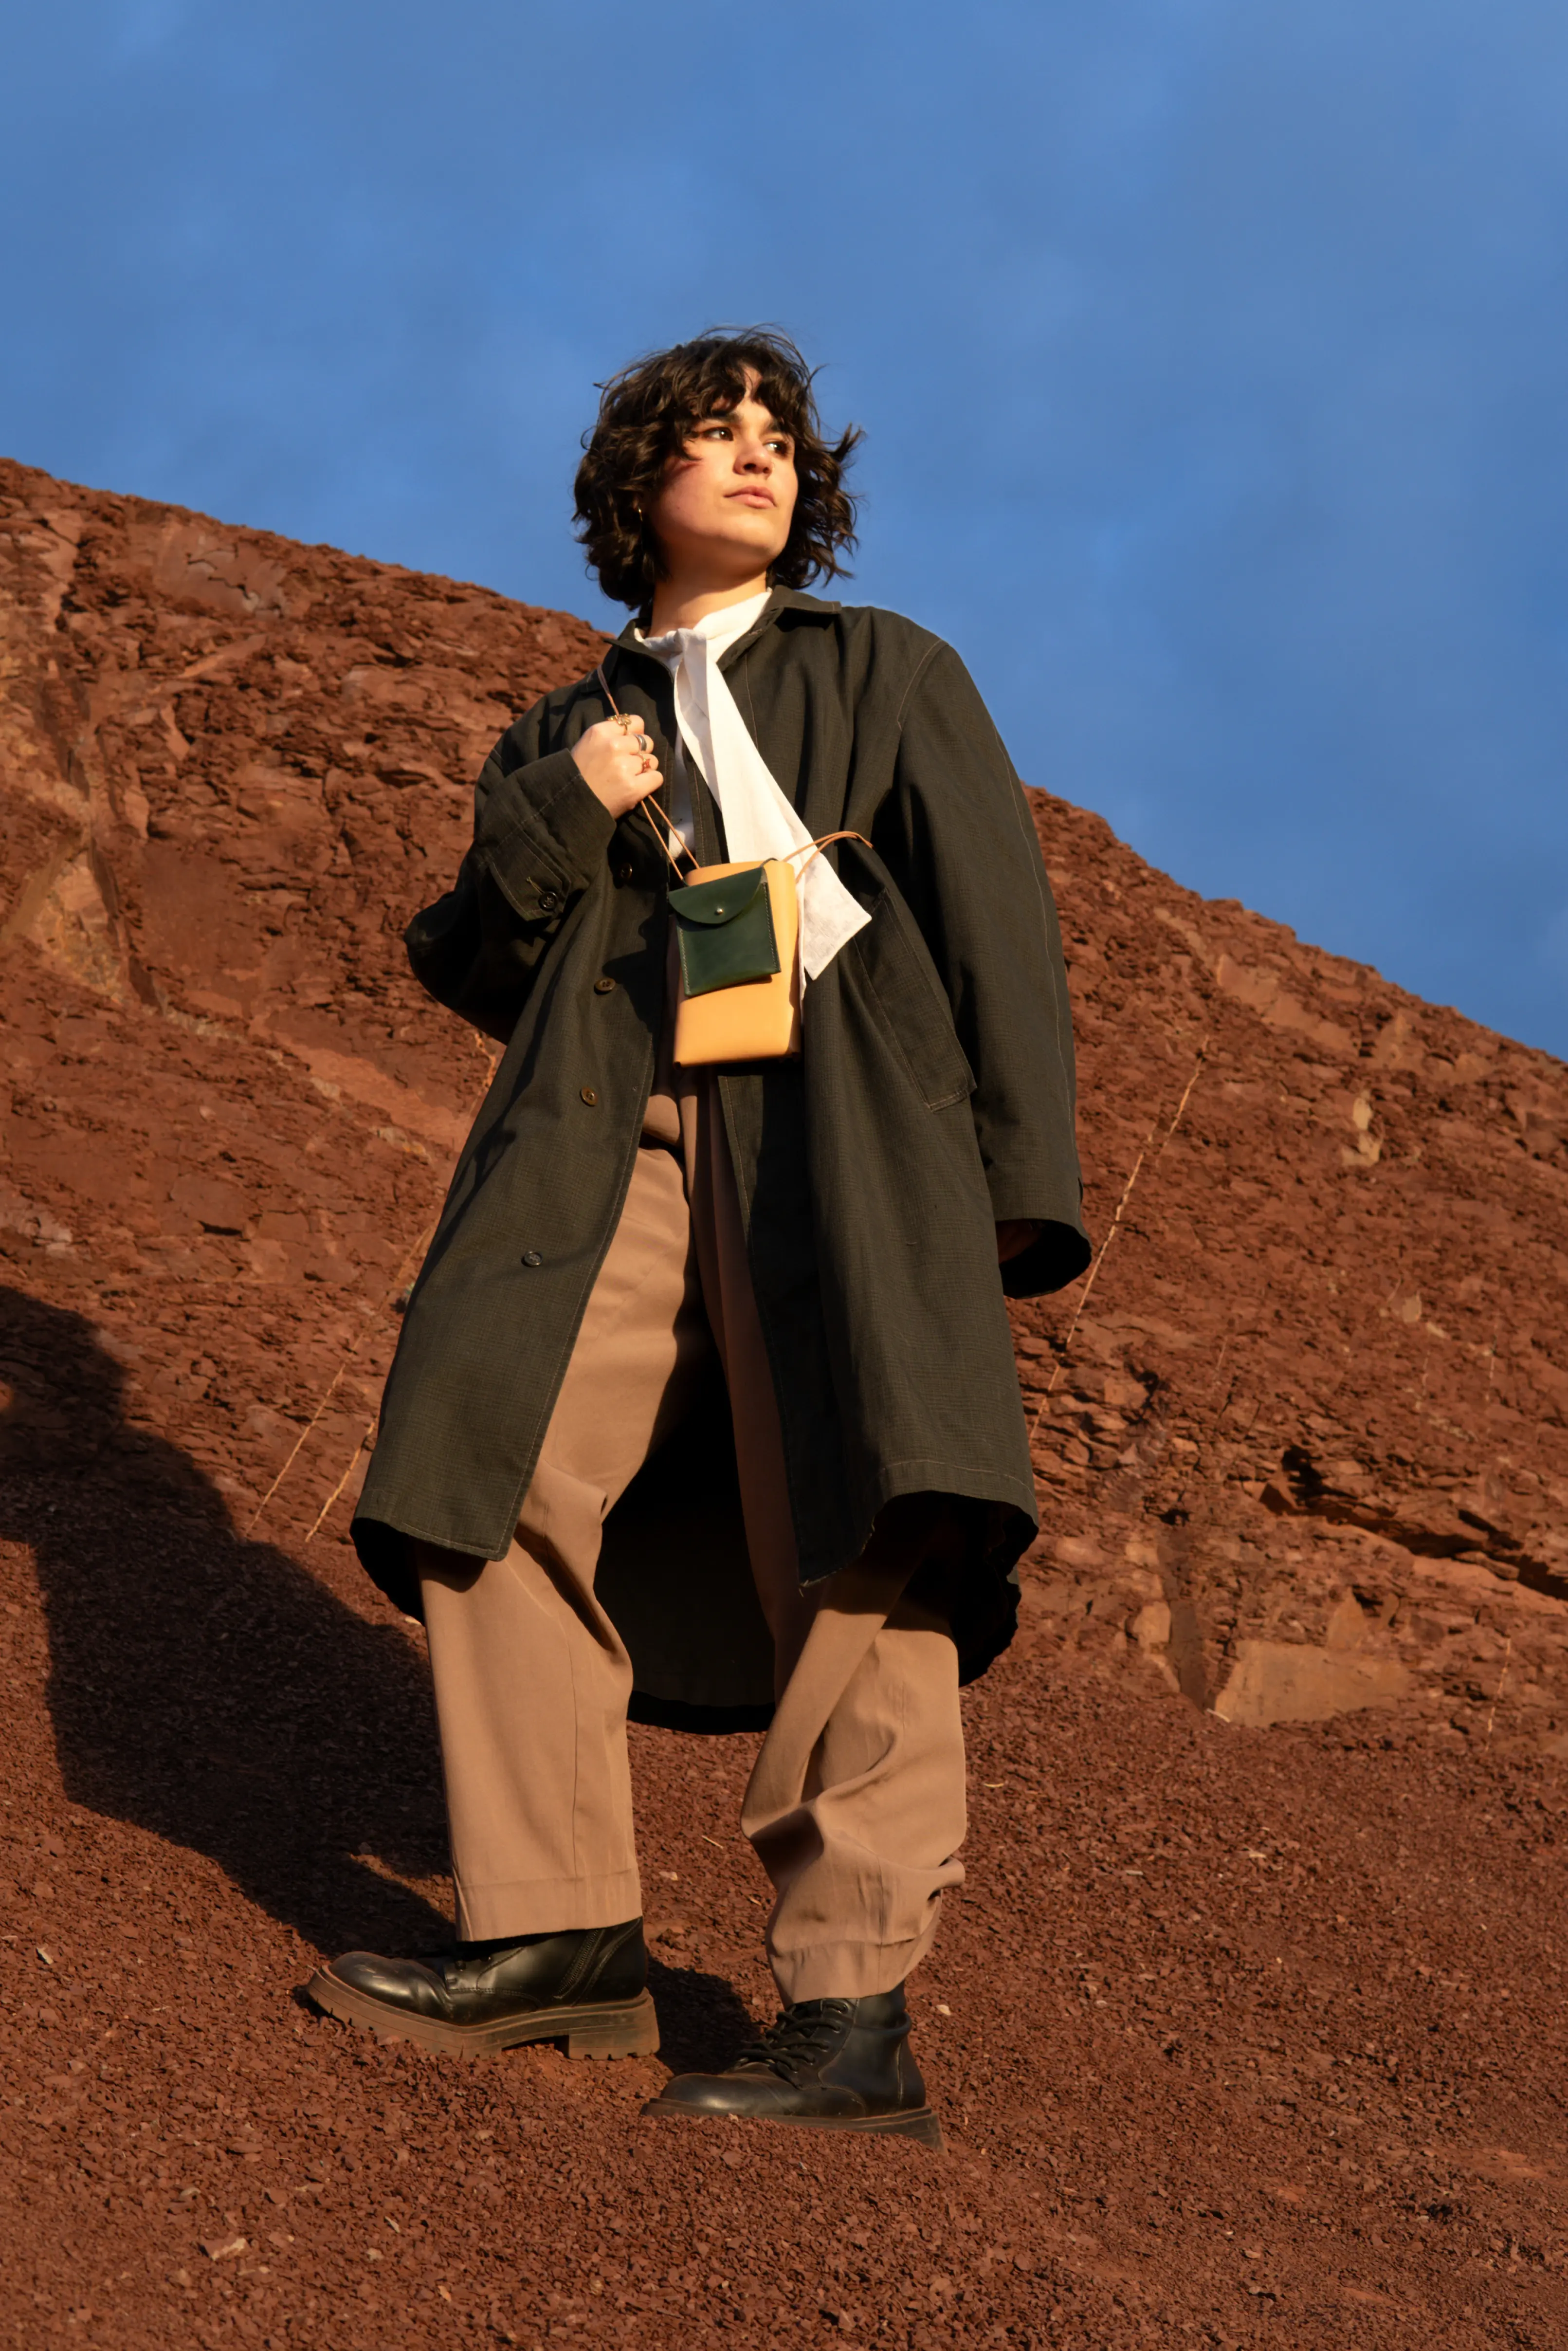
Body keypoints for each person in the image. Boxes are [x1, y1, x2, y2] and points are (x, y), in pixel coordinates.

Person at [307, 330, 1089, 2147]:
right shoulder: (554, 732)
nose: (756, 459)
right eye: (711, 434)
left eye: (779, 440)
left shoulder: (889, 669)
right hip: (607, 1141)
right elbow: (479, 962)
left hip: (839, 1142)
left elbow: (996, 932)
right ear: (632, 485)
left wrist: (1005, 1201)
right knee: (489, 1485)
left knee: (857, 1517)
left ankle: (848, 2014)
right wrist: (556, 817)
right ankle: (555, 1936)